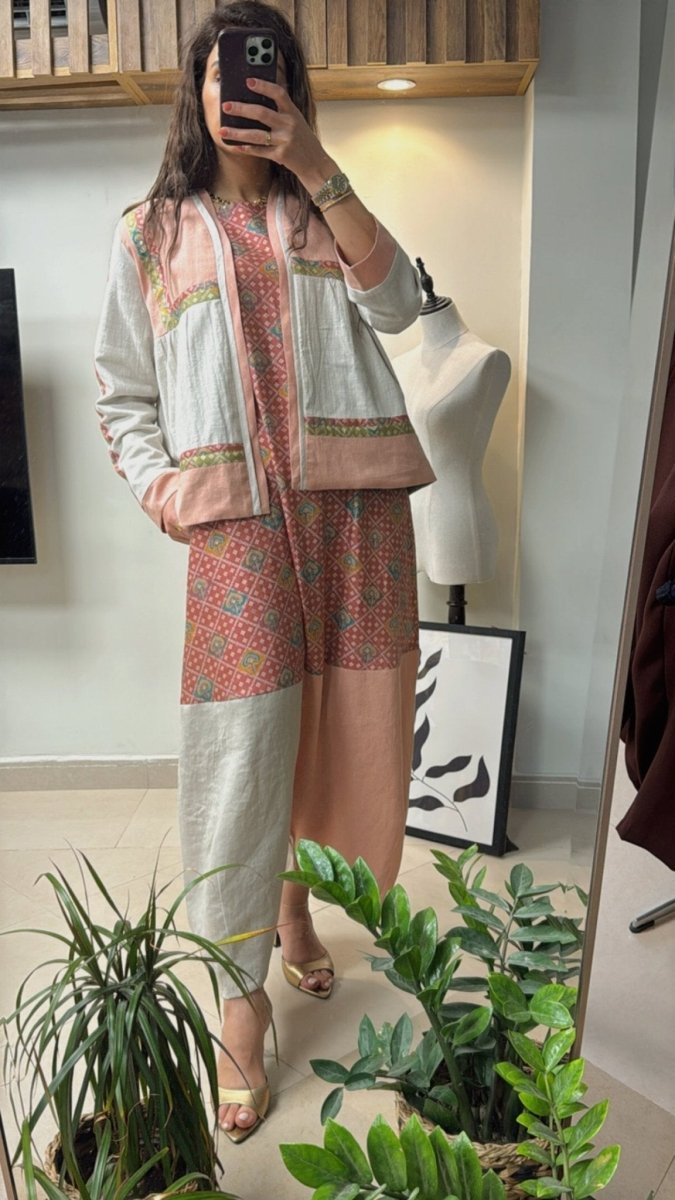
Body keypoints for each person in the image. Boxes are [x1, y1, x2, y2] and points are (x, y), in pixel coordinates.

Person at [95, 0, 434, 1144]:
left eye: (270, 71)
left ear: (292, 88)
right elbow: (121, 393)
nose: (246, 89)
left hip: (355, 512)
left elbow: (405, 306)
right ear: (198, 89)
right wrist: (163, 491)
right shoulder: (150, 233)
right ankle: (241, 998)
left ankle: (298, 910)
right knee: (243, 758)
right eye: (228, 72)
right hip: (239, 527)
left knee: (345, 732)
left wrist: (319, 165)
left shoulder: (323, 207)